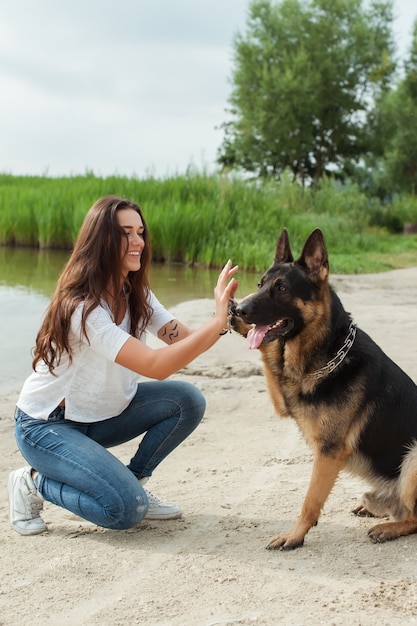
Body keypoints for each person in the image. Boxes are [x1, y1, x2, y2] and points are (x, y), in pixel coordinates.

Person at [8, 195, 238, 536]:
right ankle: (31, 483)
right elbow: (156, 366)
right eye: (125, 233)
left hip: (102, 417)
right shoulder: (82, 308)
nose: (137, 242)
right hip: (47, 427)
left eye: (140, 232)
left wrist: (228, 318)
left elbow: (182, 340)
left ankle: (133, 484)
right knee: (125, 512)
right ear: (100, 239)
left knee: (186, 400)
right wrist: (217, 321)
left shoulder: (135, 292)